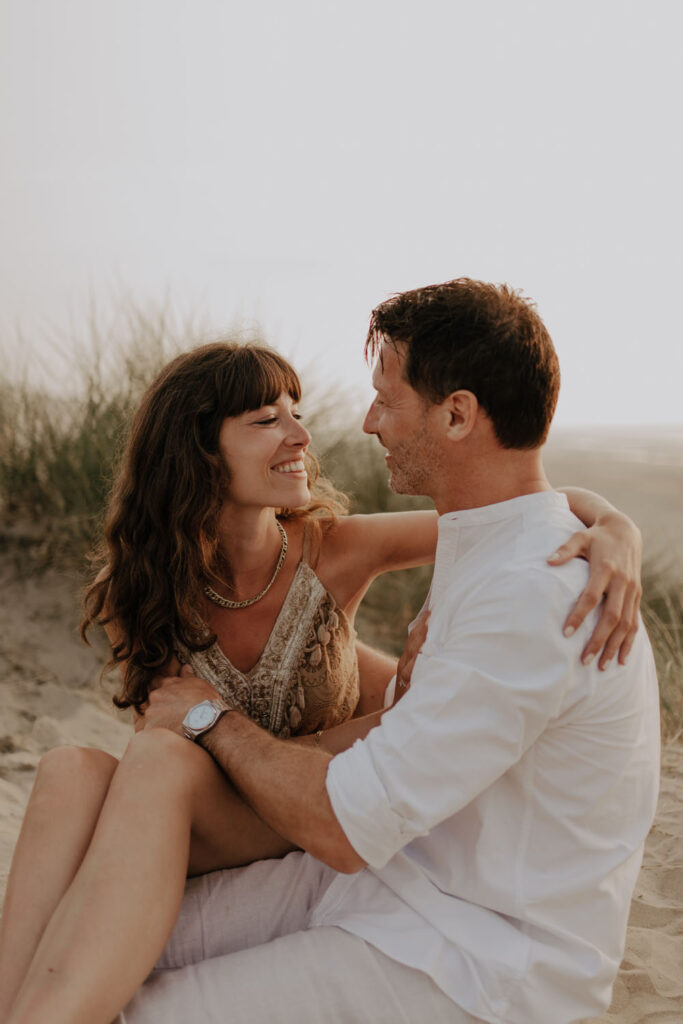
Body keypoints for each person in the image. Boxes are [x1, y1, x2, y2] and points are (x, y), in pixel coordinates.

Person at [0, 319, 648, 1024]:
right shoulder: (154, 588)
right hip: (229, 802)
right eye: (265, 420)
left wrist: (616, 527)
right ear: (199, 452)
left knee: (157, 763)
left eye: (296, 414)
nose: (300, 434)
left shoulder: (335, 549)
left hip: (315, 801)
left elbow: (507, 512)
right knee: (70, 768)